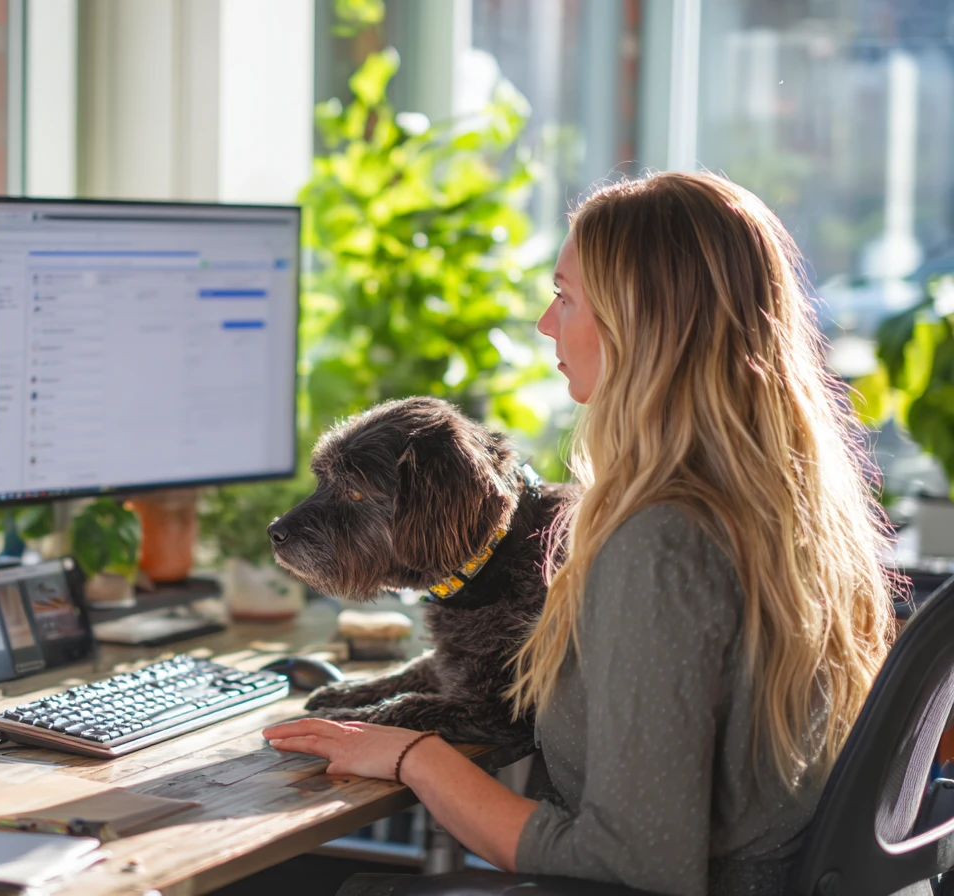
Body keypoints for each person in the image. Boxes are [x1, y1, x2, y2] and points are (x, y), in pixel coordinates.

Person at [263, 172, 897, 896]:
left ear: (641, 324)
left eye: (564, 297)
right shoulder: (783, 510)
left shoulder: (661, 543)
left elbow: (635, 866)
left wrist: (417, 758)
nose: (545, 323)